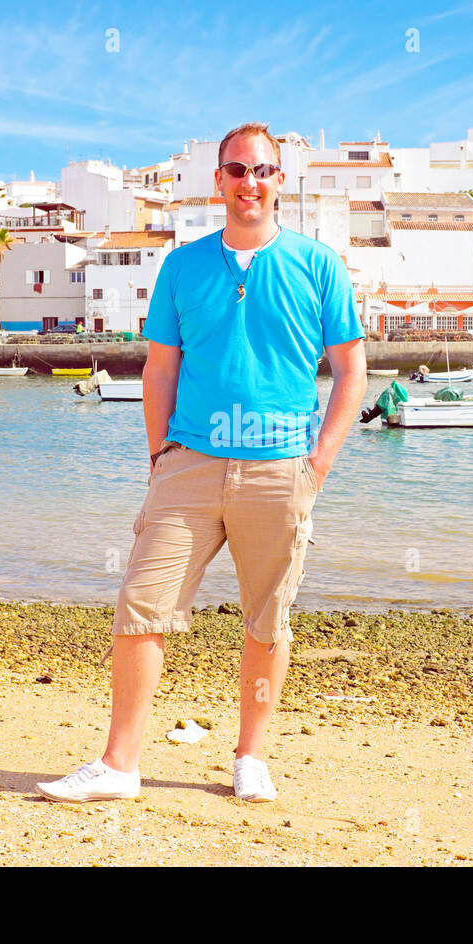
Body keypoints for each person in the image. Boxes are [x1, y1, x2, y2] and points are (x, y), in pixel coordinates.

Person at [38, 122, 367, 805]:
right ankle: (119, 765)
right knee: (142, 606)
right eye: (238, 170)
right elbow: (160, 370)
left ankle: (251, 756)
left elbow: (351, 373)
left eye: (264, 170)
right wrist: (160, 457)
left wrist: (318, 465)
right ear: (218, 180)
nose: (251, 182)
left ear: (282, 180)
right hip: (188, 466)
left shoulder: (320, 265)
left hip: (280, 469)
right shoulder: (182, 266)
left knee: (267, 621)